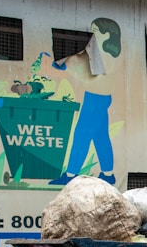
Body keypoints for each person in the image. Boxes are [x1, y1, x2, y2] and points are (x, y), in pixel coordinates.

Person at [49, 18, 121, 186]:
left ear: (106, 34)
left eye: (95, 31)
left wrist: (65, 67)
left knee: (81, 135)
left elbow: (88, 74)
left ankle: (71, 175)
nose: (91, 37)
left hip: (96, 97)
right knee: (100, 136)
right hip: (98, 97)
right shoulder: (103, 53)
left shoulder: (105, 55)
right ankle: (108, 174)